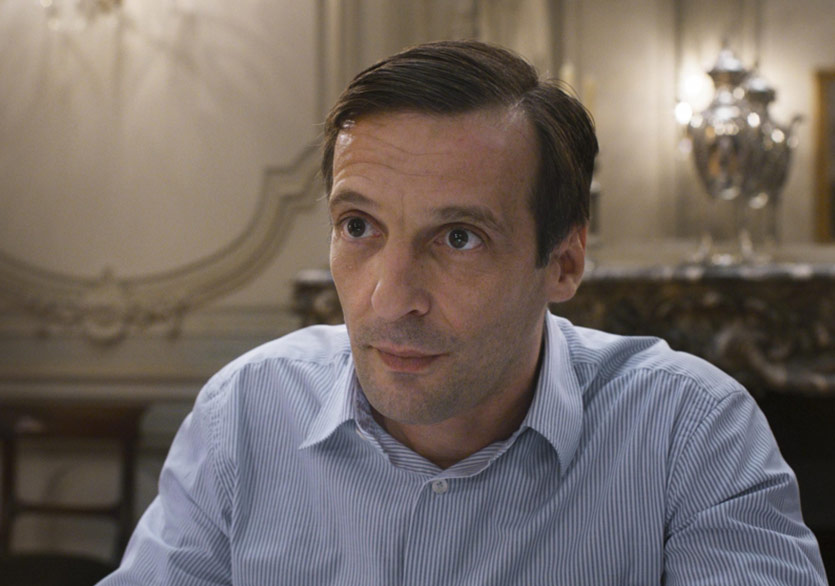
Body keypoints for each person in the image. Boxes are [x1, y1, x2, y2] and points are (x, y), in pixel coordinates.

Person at [98, 40, 827, 585]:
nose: (391, 299)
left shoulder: (689, 432)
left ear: (563, 263)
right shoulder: (245, 411)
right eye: (359, 226)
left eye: (458, 238)